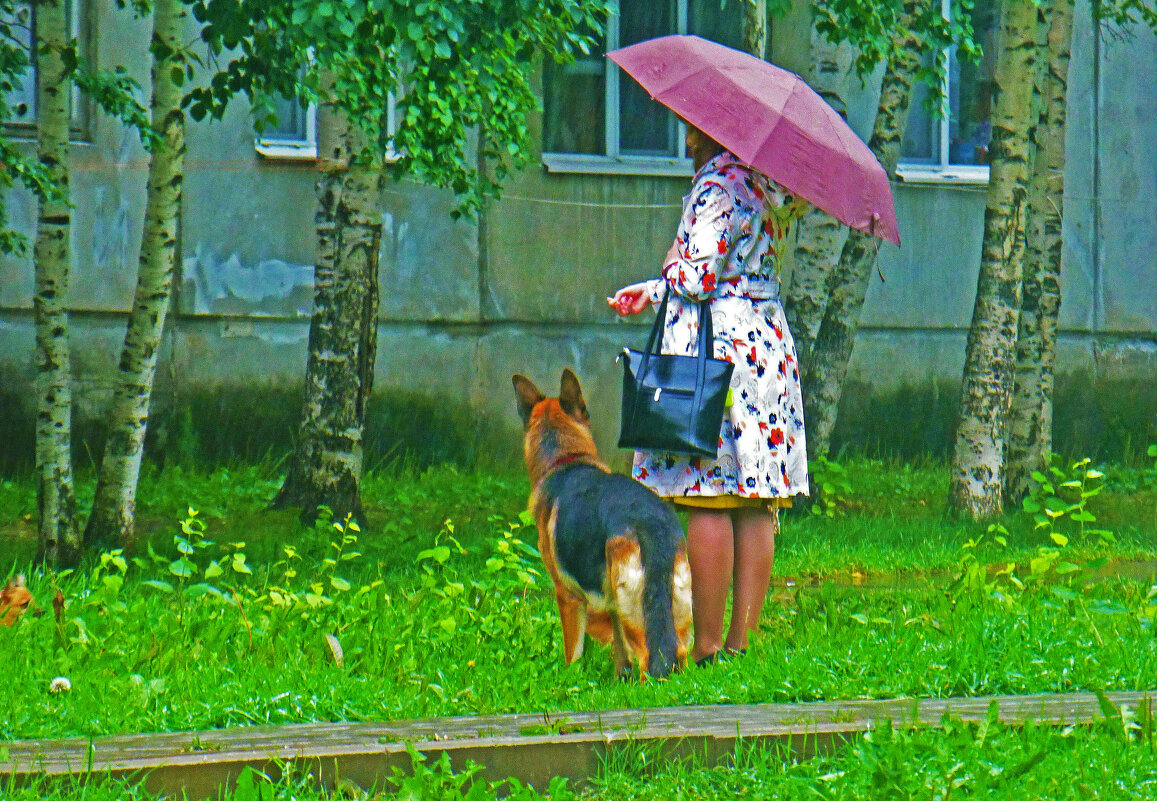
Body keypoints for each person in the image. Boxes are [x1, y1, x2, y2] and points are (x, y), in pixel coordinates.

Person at [608, 124, 810, 667]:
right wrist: (651, 292)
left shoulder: (719, 184)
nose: (686, 140)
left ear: (714, 131)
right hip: (766, 346)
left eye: (693, 131)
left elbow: (698, 278)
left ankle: (708, 645)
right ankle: (741, 646)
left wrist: (671, 259)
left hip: (719, 354)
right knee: (754, 500)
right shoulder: (769, 184)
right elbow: (739, 270)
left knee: (709, 495)